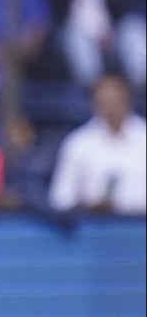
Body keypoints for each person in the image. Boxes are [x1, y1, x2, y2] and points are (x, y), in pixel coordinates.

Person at [48, 72, 147, 215]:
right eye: (104, 100)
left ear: (128, 99)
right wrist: (88, 206)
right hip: (94, 229)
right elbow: (60, 200)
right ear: (94, 102)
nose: (110, 105)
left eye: (115, 99)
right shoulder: (78, 143)